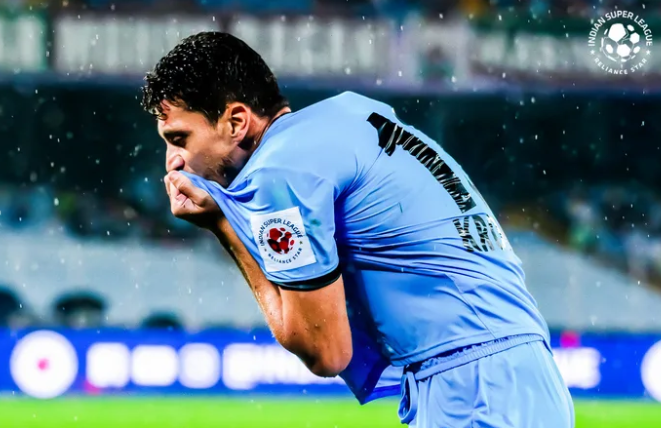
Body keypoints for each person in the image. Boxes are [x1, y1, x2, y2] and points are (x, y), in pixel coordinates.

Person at [143, 32, 574, 427]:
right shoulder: (350, 114)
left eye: (180, 139)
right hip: (513, 373)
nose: (172, 162)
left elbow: (325, 352)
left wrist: (222, 225)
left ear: (237, 122)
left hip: (474, 389)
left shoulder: (279, 172)